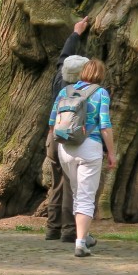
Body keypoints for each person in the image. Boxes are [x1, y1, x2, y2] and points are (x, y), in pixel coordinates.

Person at [48, 59, 116, 258]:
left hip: (65, 148)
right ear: (100, 75)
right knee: (86, 196)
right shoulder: (101, 93)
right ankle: (80, 244)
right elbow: (105, 125)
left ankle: (84, 237)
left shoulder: (64, 92)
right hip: (90, 147)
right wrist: (111, 152)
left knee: (78, 193)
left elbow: (52, 122)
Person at [45, 17, 91, 242]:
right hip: (73, 138)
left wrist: (75, 34)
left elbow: (63, 60)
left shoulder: (58, 78)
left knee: (57, 182)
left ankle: (52, 228)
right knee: (71, 185)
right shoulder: (85, 90)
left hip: (53, 135)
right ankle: (69, 231)